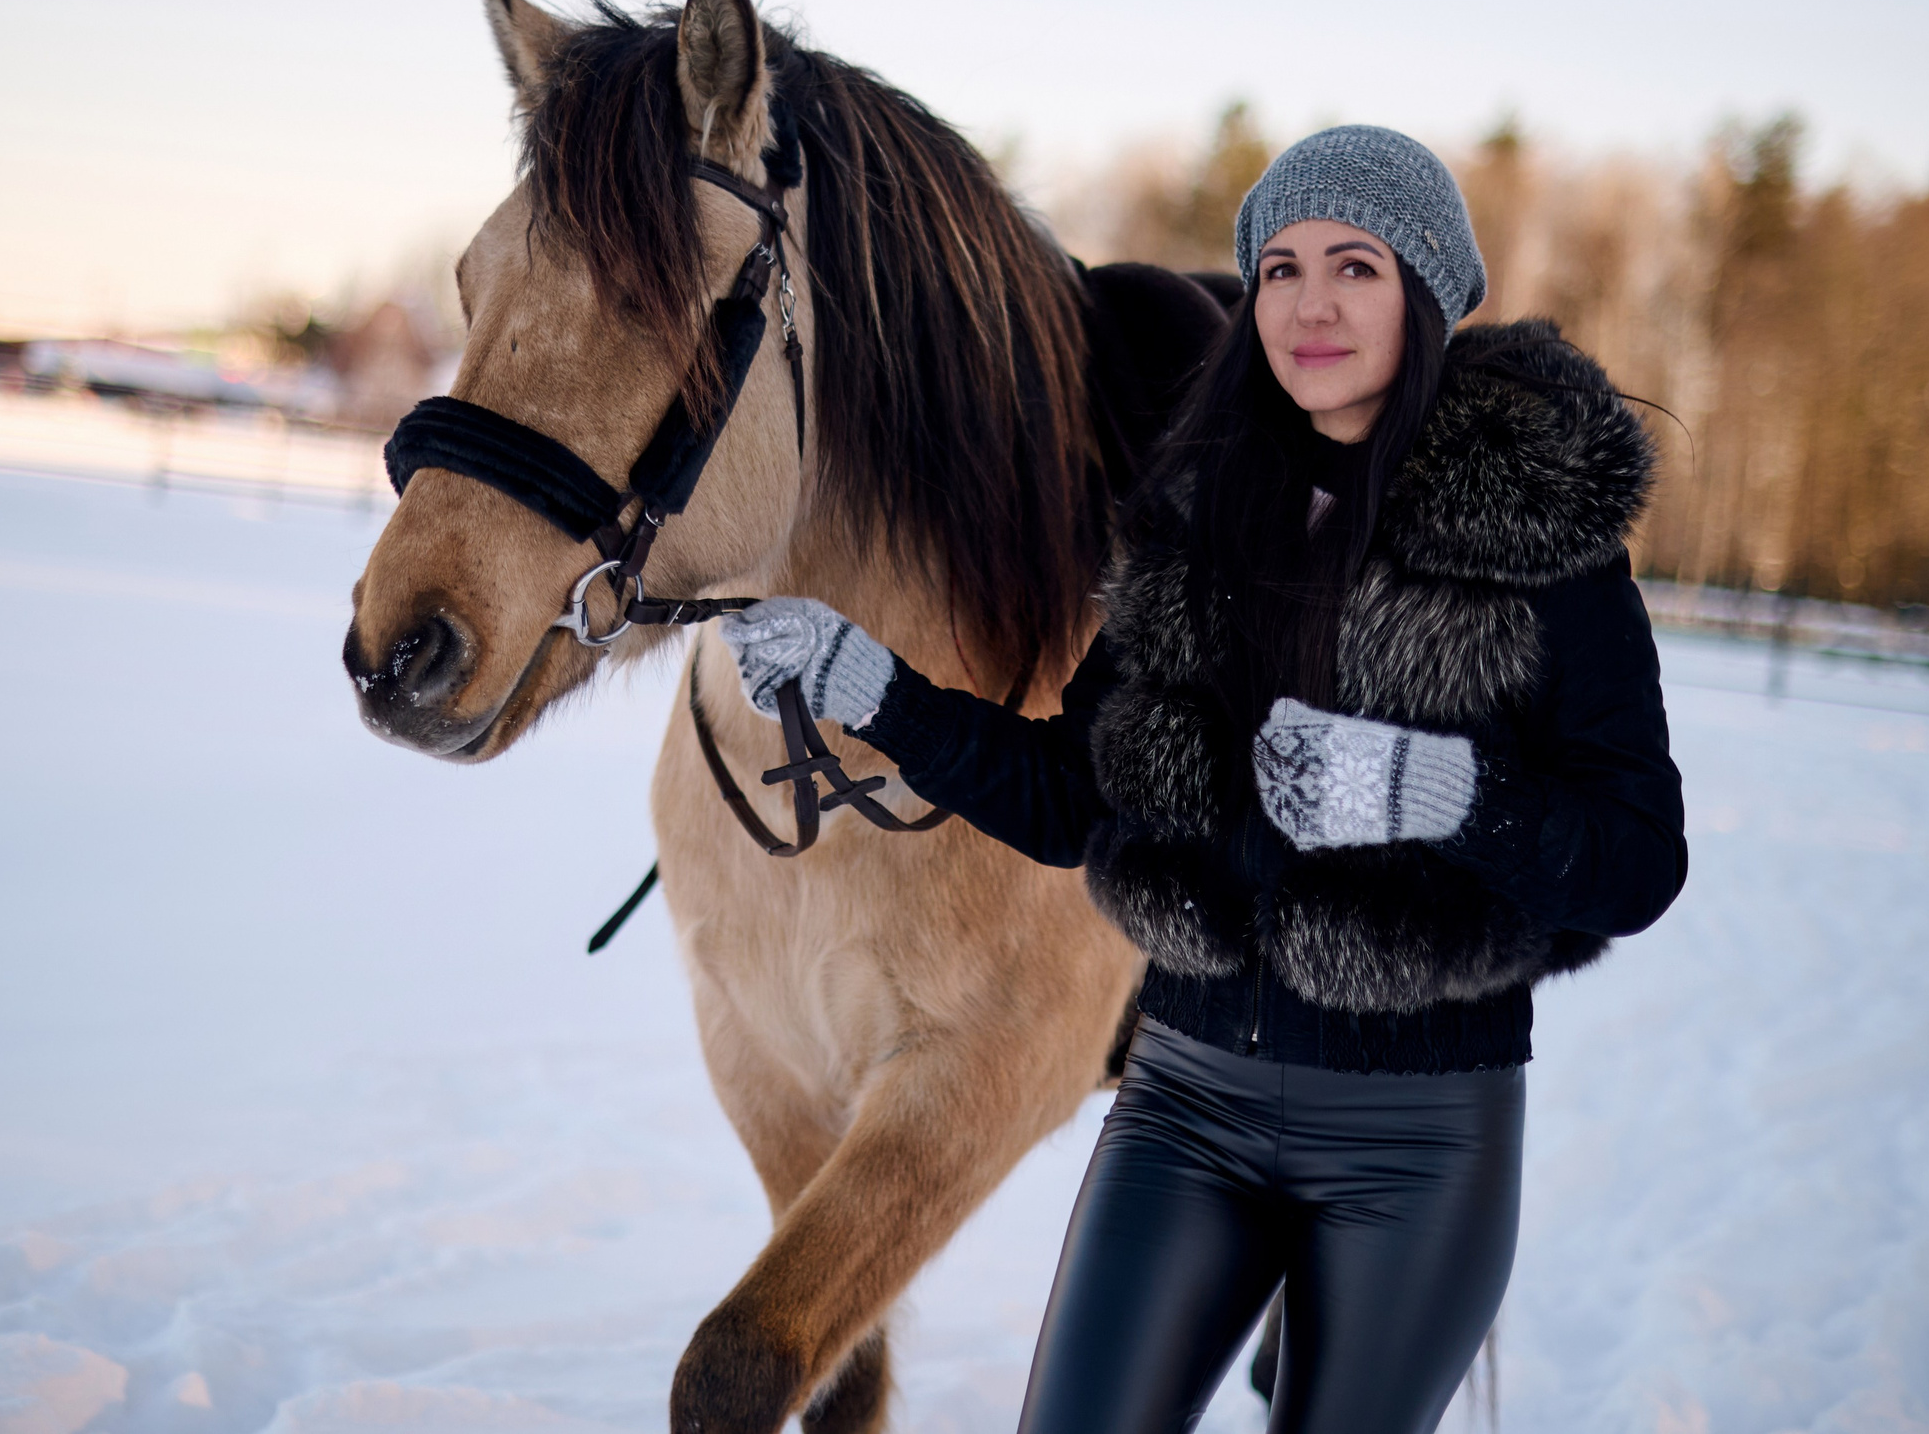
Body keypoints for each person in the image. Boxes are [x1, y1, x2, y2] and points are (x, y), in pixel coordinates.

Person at [718, 125, 1685, 1434]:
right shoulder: (1196, 525)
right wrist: (874, 692)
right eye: (1278, 268)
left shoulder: (1541, 544)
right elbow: (1078, 795)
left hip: (1419, 1142)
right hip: (1188, 1107)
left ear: (1431, 290)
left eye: (1356, 265)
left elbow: (1636, 858)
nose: (1310, 303)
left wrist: (1438, 791)